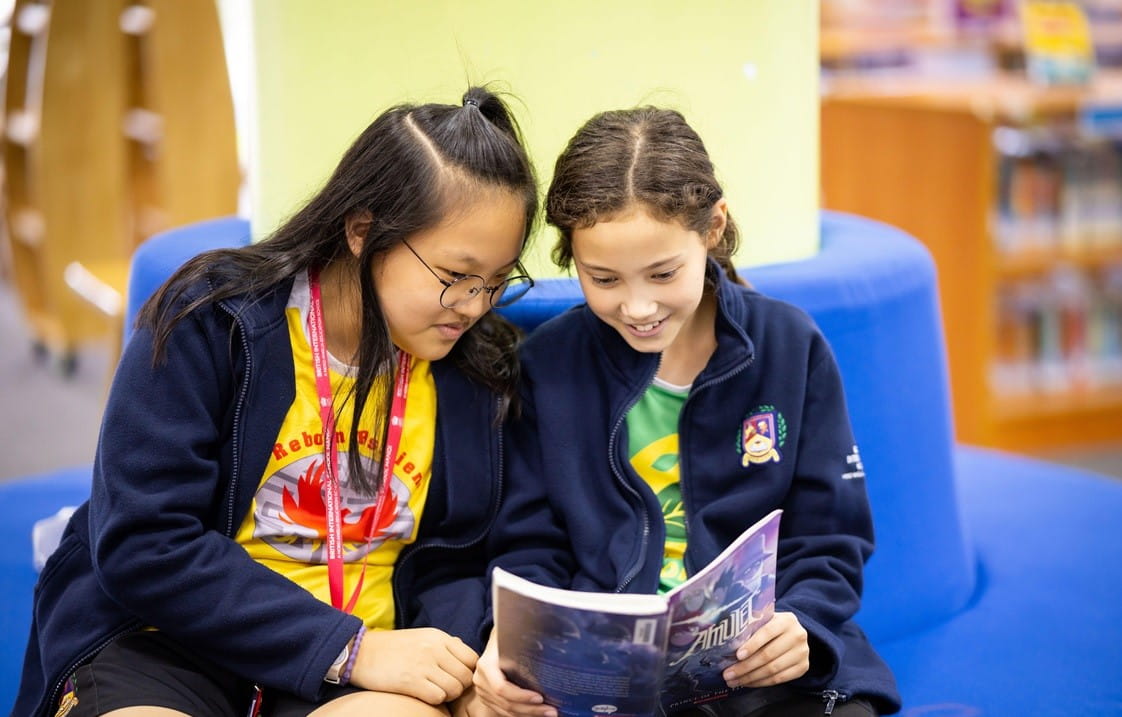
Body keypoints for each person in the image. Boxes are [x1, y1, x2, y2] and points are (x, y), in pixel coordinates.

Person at [14, 86, 541, 717]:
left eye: (498, 280)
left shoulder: (477, 368)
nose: (476, 305)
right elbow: (145, 543)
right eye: (455, 277)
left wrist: (468, 660)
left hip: (362, 669)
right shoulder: (215, 320)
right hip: (171, 642)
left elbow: (459, 560)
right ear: (363, 231)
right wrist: (346, 646)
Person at [474, 107, 902, 716]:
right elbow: (527, 545)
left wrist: (800, 624)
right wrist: (517, 642)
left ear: (712, 228)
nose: (638, 307)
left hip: (758, 665)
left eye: (663, 274)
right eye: (604, 279)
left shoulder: (790, 346)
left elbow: (829, 537)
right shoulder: (549, 365)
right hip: (605, 672)